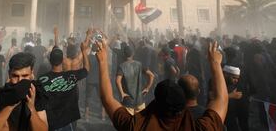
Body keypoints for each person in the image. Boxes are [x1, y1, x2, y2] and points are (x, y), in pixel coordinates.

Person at [95, 36, 228, 130]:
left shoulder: (136, 126)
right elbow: (221, 100)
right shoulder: (200, 127)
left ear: (155, 102)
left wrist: (102, 61)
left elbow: (107, 99)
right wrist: (215, 64)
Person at [0, 52, 48, 131]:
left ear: (32, 74)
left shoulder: (35, 94)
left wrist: (31, 108)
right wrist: (9, 106)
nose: (20, 81)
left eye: (25, 76)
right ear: (9, 74)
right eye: (15, 76)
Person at [38, 31, 90, 131]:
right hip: (72, 83)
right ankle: (71, 125)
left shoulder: (63, 60)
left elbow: (56, 48)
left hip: (61, 82)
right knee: (72, 106)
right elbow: (85, 54)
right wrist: (87, 36)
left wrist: (56, 35)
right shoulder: (76, 62)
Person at [116, 46, 155, 115]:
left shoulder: (122, 66)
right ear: (133, 54)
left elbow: (117, 81)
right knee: (140, 123)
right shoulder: (139, 64)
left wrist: (121, 93)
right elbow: (152, 75)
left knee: (129, 123)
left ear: (124, 54)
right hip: (140, 100)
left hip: (128, 101)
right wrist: (147, 88)